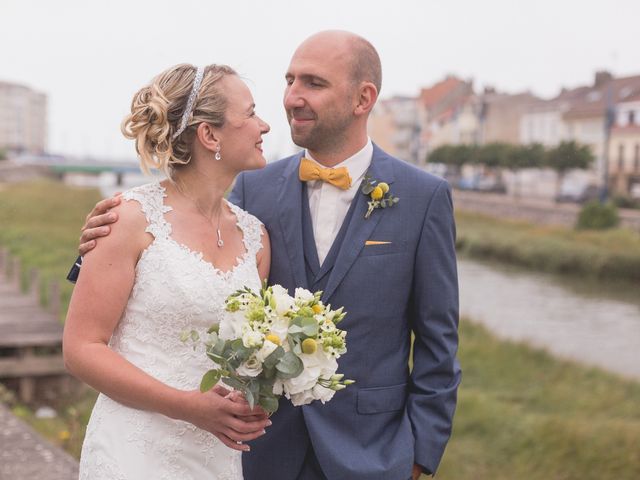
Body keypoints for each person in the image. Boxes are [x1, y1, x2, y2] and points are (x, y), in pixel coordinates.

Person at [72, 30, 461, 479]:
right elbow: (173, 239)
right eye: (289, 80)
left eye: (313, 83)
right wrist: (92, 243)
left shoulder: (423, 197)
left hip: (372, 455)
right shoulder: (254, 190)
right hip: (260, 453)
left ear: (363, 98)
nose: (291, 98)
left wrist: (418, 458)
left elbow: (438, 341)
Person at [63, 63, 272, 479]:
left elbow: (247, 350)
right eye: (250, 113)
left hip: (216, 455)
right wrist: (188, 406)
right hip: (133, 450)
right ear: (209, 135)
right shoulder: (128, 220)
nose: (264, 125)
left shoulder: (256, 238)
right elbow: (81, 348)